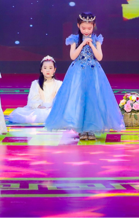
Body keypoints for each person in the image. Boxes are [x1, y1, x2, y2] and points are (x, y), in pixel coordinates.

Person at [44, 12, 125, 140]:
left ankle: (90, 129)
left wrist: (92, 44)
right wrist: (82, 44)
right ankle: (81, 129)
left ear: (93, 26)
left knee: (93, 99)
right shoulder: (74, 39)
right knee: (80, 99)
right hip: (78, 73)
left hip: (93, 72)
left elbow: (99, 57)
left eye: (89, 28)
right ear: (78, 26)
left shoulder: (97, 39)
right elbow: (72, 56)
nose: (86, 31)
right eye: (83, 28)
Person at [8, 56, 62, 124]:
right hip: (39, 109)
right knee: (17, 114)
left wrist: (54, 106)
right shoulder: (35, 83)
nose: (48, 70)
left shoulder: (59, 84)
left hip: (53, 109)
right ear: (41, 70)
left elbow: (61, 99)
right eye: (45, 68)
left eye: (50, 68)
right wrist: (39, 106)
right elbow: (32, 99)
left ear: (54, 69)